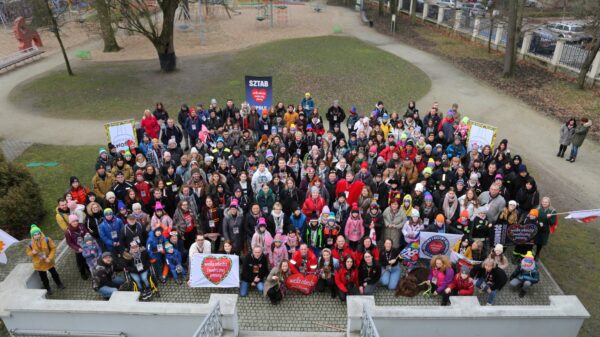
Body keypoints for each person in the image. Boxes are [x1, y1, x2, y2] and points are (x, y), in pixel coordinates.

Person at [26, 225, 64, 295]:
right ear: (32, 236)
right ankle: (48, 288)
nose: (37, 236)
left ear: (40, 233)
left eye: (38, 234)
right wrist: (32, 253)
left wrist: (49, 258)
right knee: (44, 278)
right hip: (39, 264)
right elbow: (28, 253)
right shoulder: (30, 244)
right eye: (35, 235)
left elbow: (53, 248)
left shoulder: (47, 239)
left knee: (54, 274)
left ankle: (59, 283)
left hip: (48, 261)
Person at [64, 214, 91, 280]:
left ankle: (89, 269)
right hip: (78, 250)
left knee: (88, 259)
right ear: (70, 222)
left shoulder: (81, 226)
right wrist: (77, 248)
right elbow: (69, 243)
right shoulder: (68, 232)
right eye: (73, 221)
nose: (75, 223)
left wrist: (88, 240)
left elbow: (87, 233)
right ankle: (83, 273)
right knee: (81, 262)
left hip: (86, 246)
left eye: (76, 221)